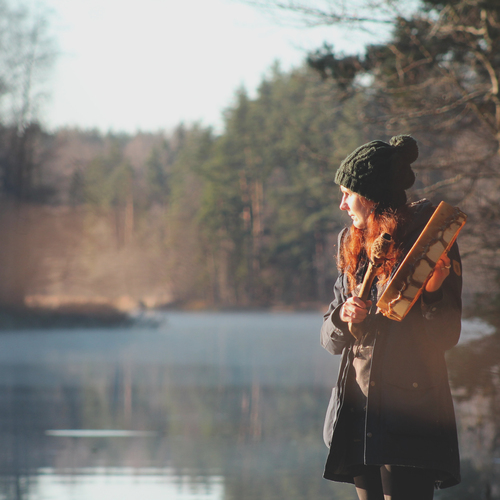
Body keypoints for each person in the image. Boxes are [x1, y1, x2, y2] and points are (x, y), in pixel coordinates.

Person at [321, 135, 462, 500]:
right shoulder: (351, 243)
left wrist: (432, 291)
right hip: (358, 409)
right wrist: (342, 316)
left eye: (347, 194)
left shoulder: (432, 238)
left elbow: (446, 335)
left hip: (410, 416)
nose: (342, 205)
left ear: (371, 195)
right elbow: (329, 338)